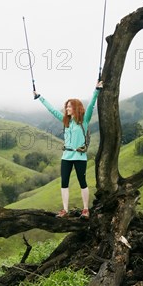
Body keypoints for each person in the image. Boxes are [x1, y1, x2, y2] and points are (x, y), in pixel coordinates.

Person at [34, 80, 103, 218]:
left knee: (82, 182)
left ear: (76, 108)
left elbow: (91, 105)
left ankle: (85, 210)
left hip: (79, 157)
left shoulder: (84, 120)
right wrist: (39, 97)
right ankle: (65, 210)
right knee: (64, 182)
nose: (67, 109)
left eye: (70, 107)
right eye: (67, 107)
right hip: (66, 156)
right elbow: (52, 110)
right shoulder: (66, 121)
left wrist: (97, 89)